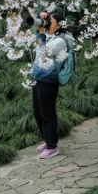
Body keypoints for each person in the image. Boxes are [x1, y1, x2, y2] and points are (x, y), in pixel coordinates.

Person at [31, 10, 71, 159]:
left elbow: (44, 51)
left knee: (47, 113)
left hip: (49, 79)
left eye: (51, 22)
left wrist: (41, 33)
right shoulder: (48, 37)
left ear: (59, 25)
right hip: (38, 77)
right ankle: (47, 140)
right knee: (37, 112)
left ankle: (52, 146)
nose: (47, 25)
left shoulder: (61, 40)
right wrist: (41, 18)